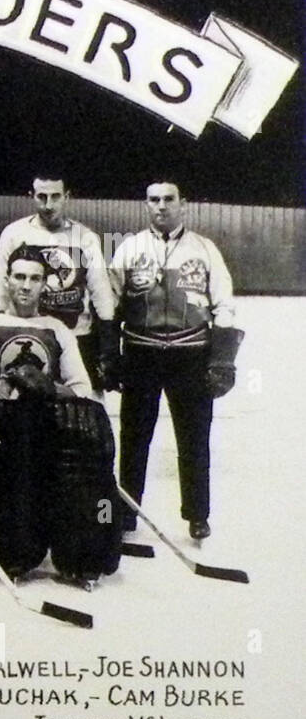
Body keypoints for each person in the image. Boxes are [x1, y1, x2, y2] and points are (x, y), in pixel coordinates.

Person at [0, 248, 97, 578]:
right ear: (6, 280)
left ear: (45, 284)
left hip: (39, 420)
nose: (26, 285)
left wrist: (47, 386)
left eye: (34, 278)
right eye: (19, 277)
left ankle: (65, 544)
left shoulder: (57, 329)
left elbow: (82, 387)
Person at [108, 181, 240, 540]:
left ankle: (197, 514)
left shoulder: (204, 248)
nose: (161, 207)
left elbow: (224, 305)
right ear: (146, 204)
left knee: (194, 438)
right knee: (134, 438)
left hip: (190, 354)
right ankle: (127, 512)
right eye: (154, 200)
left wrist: (223, 360)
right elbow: (110, 302)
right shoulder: (129, 248)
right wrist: (109, 354)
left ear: (184, 204)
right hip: (141, 352)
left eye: (169, 200)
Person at [0, 173, 116, 391]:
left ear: (67, 196)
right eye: (42, 197)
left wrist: (108, 346)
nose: (48, 205)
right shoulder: (14, 234)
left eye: (55, 196)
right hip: (28, 332)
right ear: (31, 196)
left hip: (77, 336)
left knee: (82, 406)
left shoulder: (85, 238)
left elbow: (101, 293)